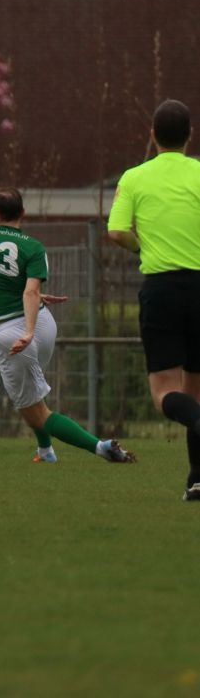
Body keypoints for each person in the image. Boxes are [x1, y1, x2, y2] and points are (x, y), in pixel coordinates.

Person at [0, 188, 135, 464]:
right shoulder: (34, 247)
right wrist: (35, 307)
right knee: (30, 399)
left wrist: (27, 332)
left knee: (36, 411)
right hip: (44, 323)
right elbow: (27, 289)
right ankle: (45, 451)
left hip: (11, 332)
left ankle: (101, 447)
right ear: (23, 213)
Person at [107, 98, 200, 500]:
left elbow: (116, 231)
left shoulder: (134, 178)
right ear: (190, 135)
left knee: (165, 394)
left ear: (153, 135)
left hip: (162, 289)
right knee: (196, 391)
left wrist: (141, 246)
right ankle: (197, 481)